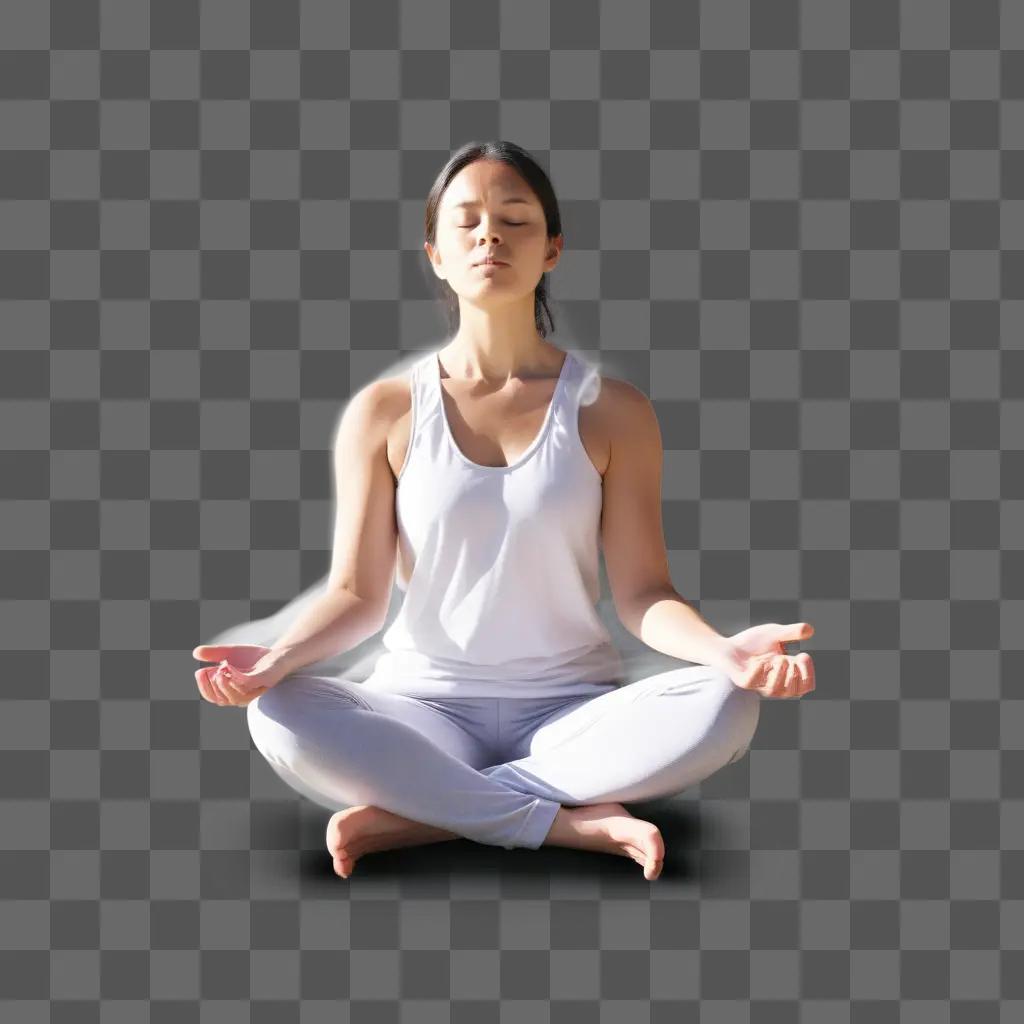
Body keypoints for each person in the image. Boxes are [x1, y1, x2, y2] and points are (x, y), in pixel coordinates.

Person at [193, 140, 816, 883]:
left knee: (727, 704)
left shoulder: (613, 411)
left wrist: (725, 653)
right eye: (468, 222)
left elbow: (646, 594)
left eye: (515, 219)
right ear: (435, 253)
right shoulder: (385, 412)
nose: (490, 234)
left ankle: (426, 815)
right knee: (280, 713)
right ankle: (559, 824)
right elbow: (357, 595)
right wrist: (277, 659)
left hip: (571, 714)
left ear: (552, 248)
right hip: (422, 713)